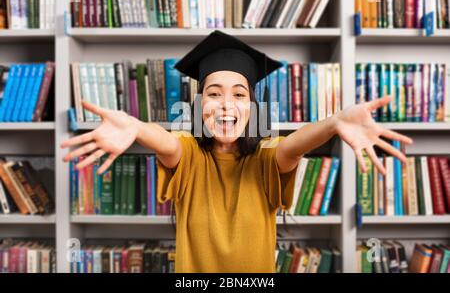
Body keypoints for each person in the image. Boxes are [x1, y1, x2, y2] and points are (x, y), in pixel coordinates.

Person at [60, 30, 413, 273]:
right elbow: (167, 144)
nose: (226, 104)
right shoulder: (190, 157)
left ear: (252, 106)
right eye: (213, 93)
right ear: (198, 105)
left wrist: (334, 122)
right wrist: (137, 127)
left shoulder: (265, 159)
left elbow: (292, 146)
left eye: (239, 94)